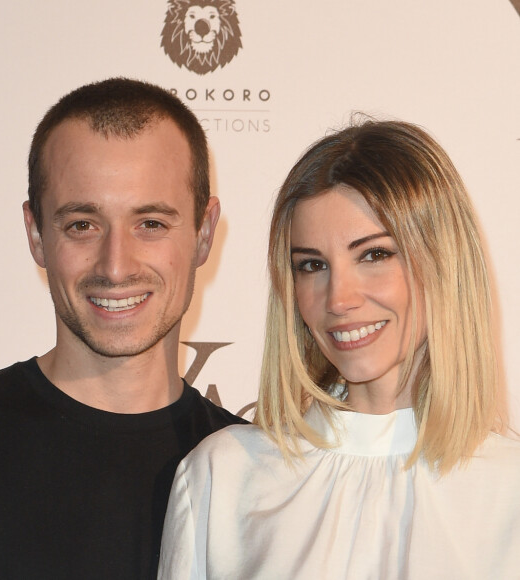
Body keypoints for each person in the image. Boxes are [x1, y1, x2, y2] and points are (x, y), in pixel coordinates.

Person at [158, 119, 520, 579]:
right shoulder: (224, 479)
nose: (339, 299)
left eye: (374, 255)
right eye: (312, 265)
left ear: (443, 261)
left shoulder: (511, 489)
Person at [0, 78, 246, 580]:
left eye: (150, 223)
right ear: (36, 235)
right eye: (83, 224)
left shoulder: (262, 480)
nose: (117, 265)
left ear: (204, 232)